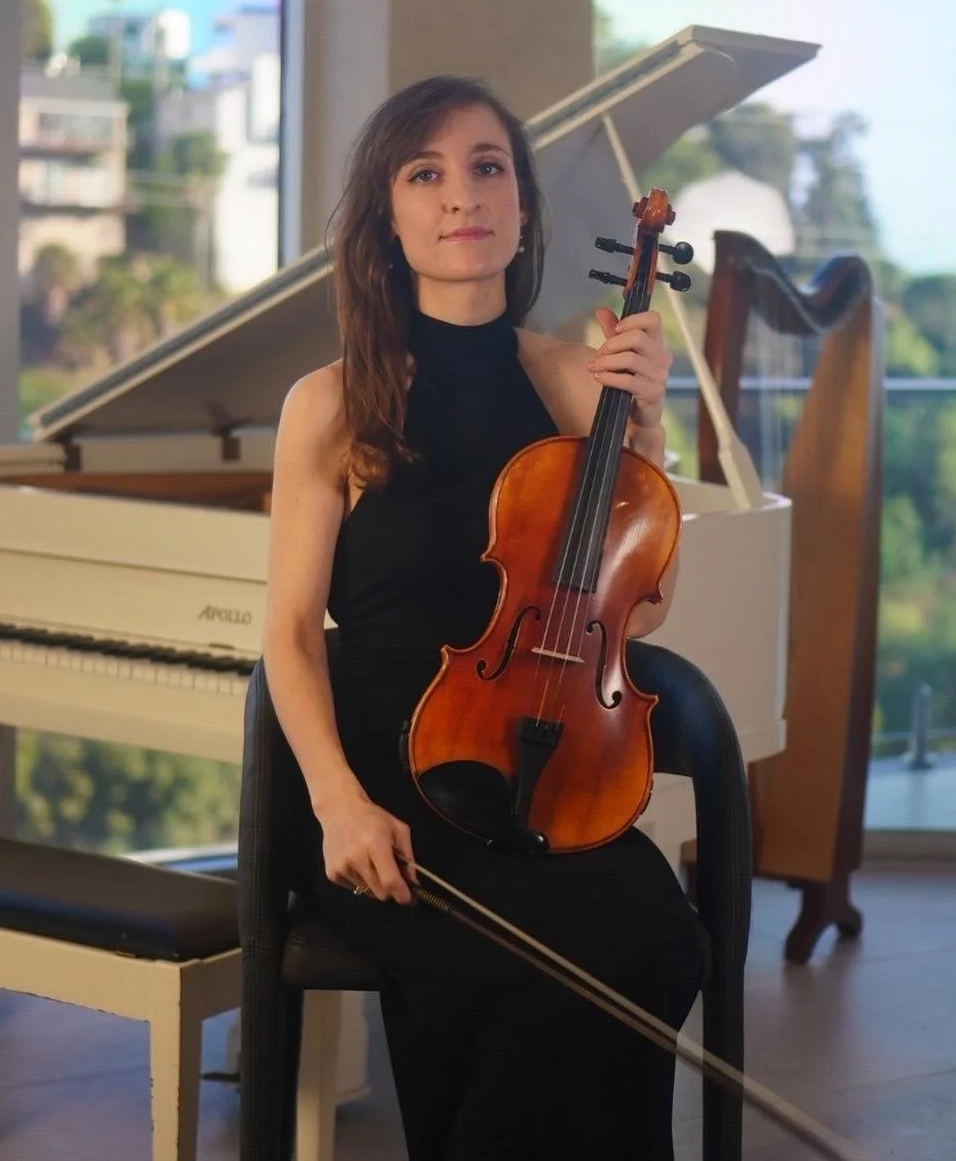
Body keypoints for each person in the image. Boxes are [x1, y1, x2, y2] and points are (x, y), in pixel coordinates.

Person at [262, 73, 705, 1161]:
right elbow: (286, 630)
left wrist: (642, 431)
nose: (461, 194)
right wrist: (337, 804)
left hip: (536, 755)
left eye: (486, 166)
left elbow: (637, 605)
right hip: (381, 777)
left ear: (518, 209)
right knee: (540, 975)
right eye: (426, 173)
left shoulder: (570, 383)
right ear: (390, 217)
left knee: (652, 937)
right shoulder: (333, 400)